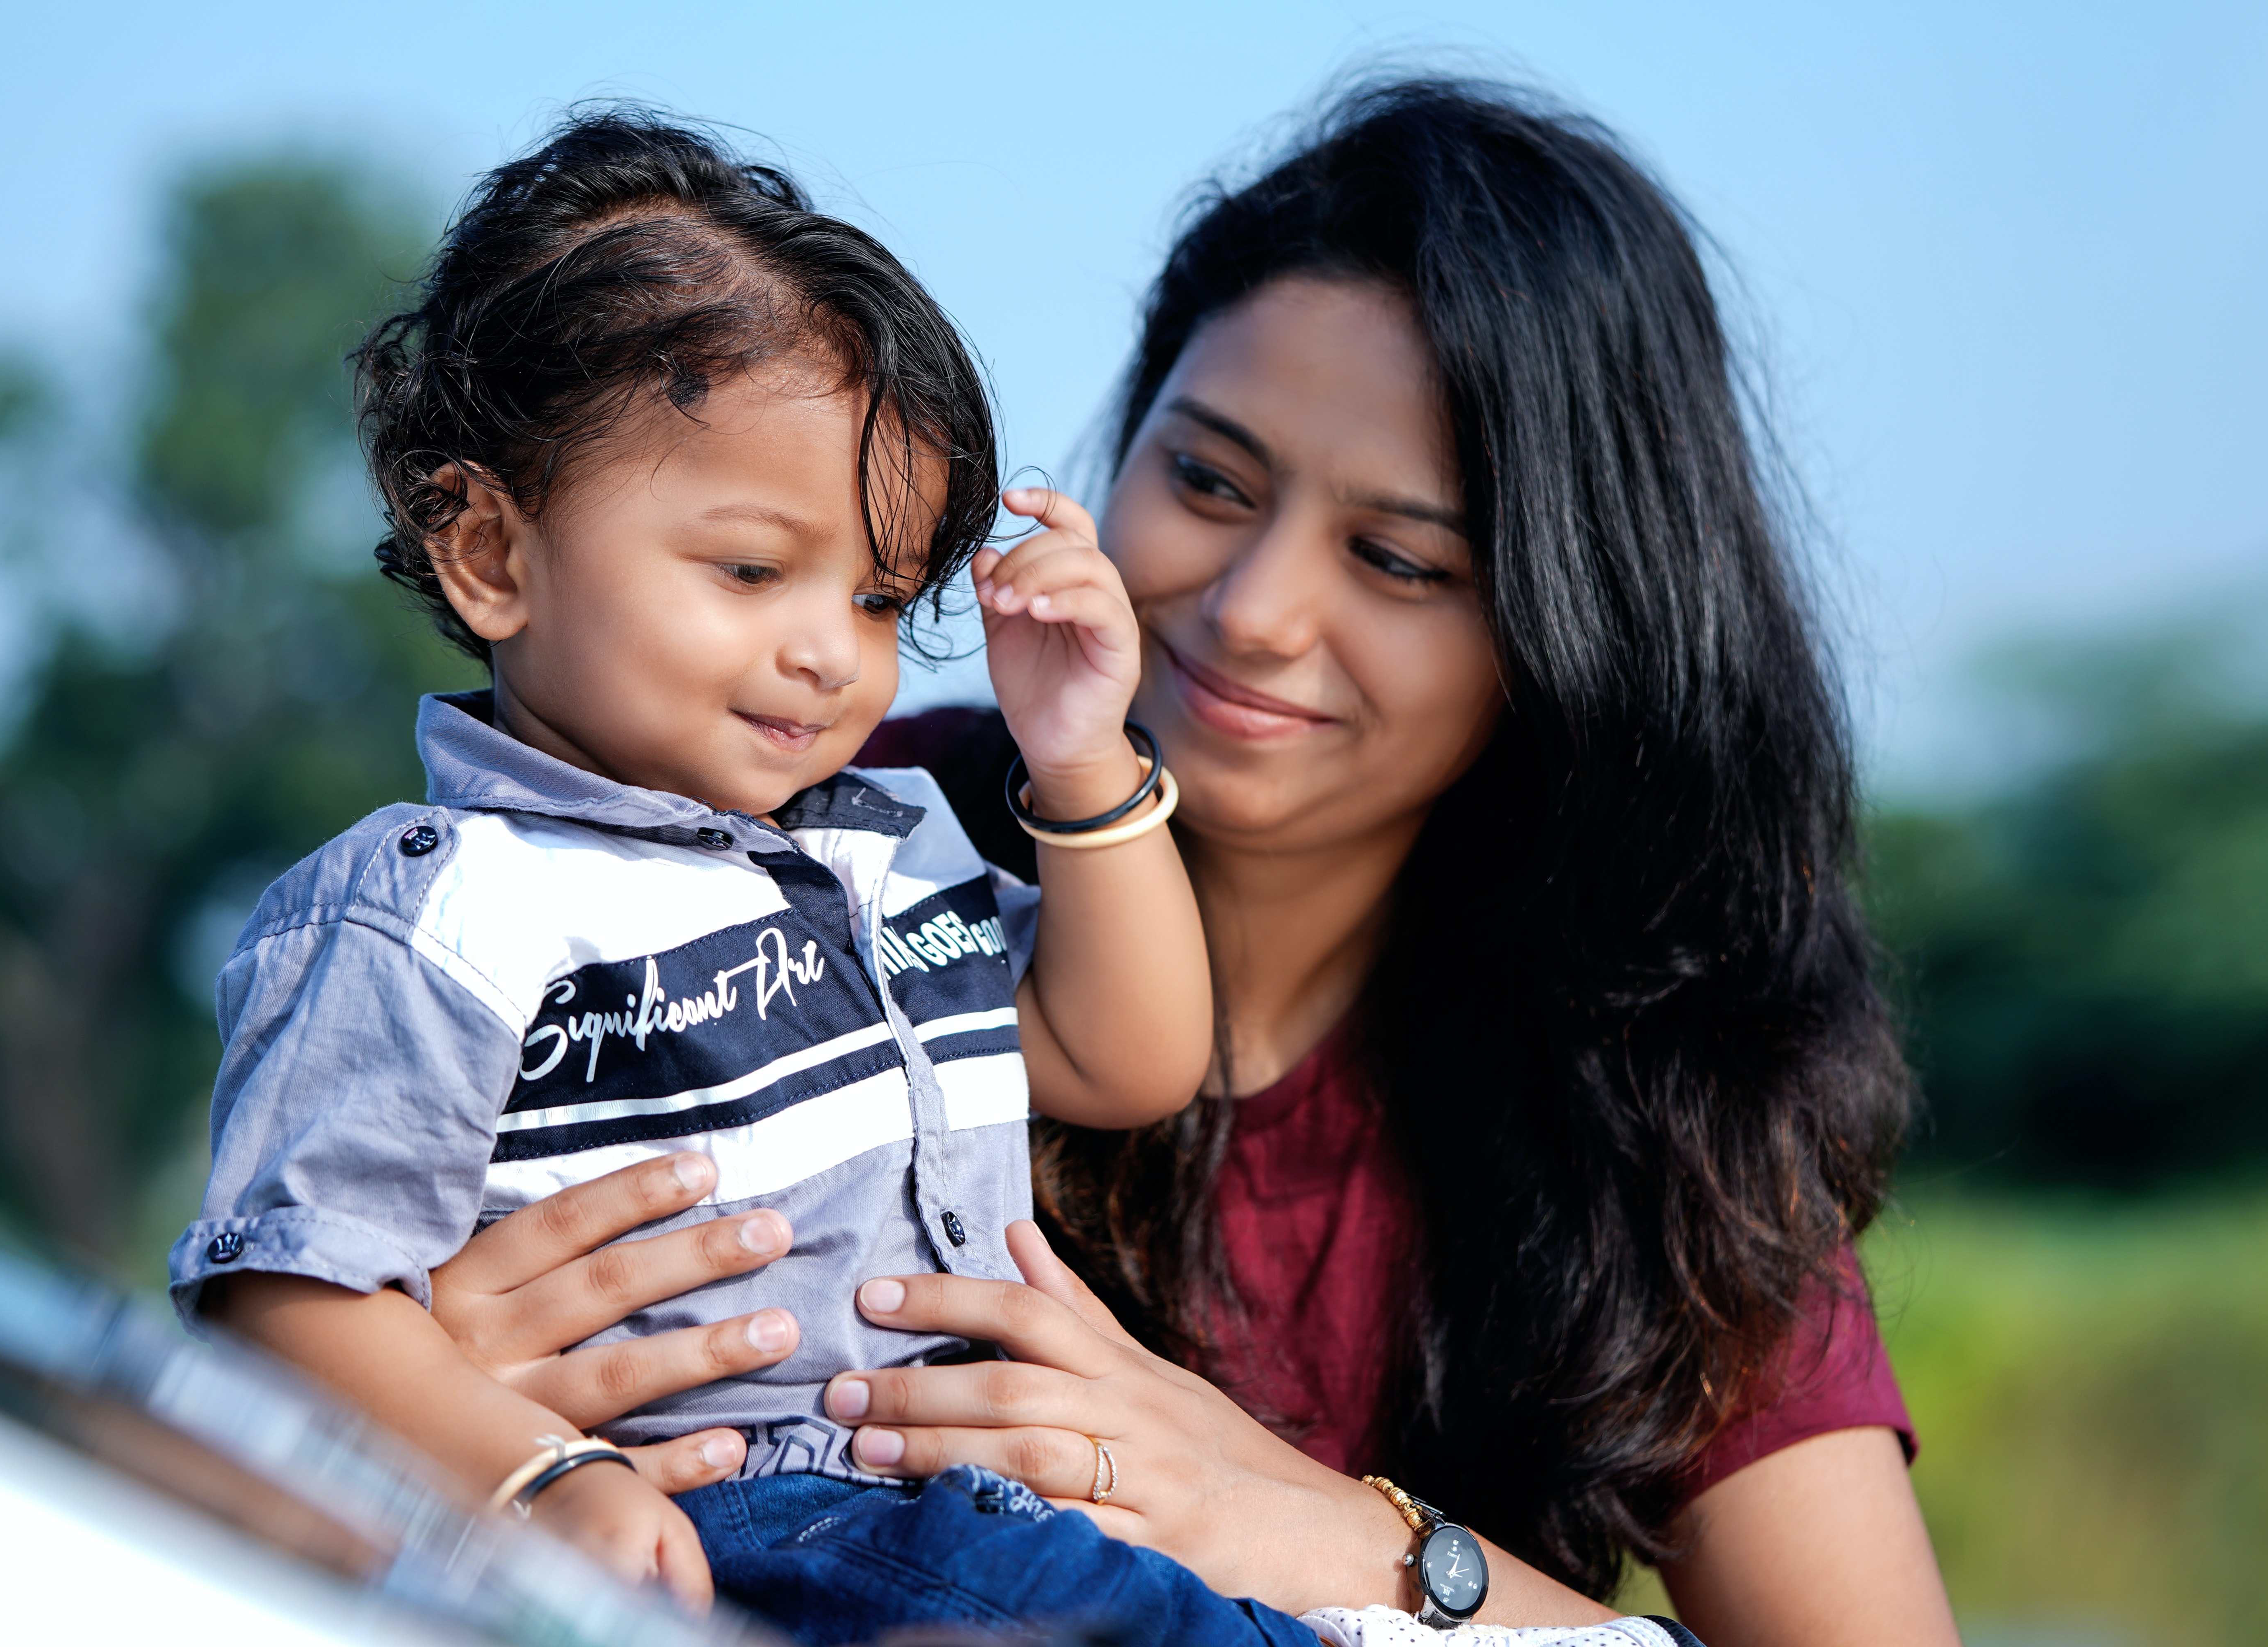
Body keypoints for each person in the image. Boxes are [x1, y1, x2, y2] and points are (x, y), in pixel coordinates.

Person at [423, 81, 1960, 1645]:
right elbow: (278, 1369)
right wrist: (433, 1405)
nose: (1254, 610)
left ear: (1571, 629)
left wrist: (1341, 1541)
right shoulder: (822, 840)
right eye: (1212, 483)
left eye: (1400, 561)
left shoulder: (1662, 1090)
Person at [167, 109, 1282, 1638]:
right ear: (490, 553)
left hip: (972, 1506)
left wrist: (1084, 758)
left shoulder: (886, 843)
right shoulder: (445, 910)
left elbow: (1127, 1053)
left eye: (882, 594)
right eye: (753, 570)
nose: (830, 648)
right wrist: (538, 1480)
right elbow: (282, 1290)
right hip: (735, 1509)